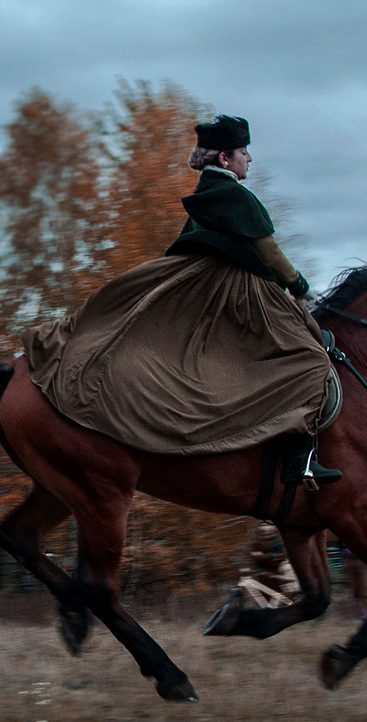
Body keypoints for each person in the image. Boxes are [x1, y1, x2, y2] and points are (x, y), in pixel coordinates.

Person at [21, 114, 343, 486]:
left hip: (207, 299)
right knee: (308, 361)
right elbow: (269, 252)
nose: (249, 159)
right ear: (225, 159)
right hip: (244, 296)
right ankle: (298, 460)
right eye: (243, 151)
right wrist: (301, 286)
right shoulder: (237, 197)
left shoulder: (204, 196)